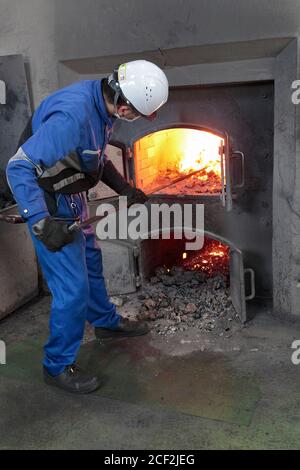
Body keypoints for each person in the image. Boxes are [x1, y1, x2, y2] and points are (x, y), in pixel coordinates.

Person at [6, 60, 169, 394]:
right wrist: (39, 223)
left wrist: (124, 188)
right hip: (50, 205)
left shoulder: (101, 103)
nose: (134, 118)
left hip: (73, 195)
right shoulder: (73, 116)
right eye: (136, 114)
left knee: (92, 261)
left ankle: (106, 323)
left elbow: (96, 157)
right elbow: (18, 167)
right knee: (72, 289)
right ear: (124, 106)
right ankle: (56, 365)